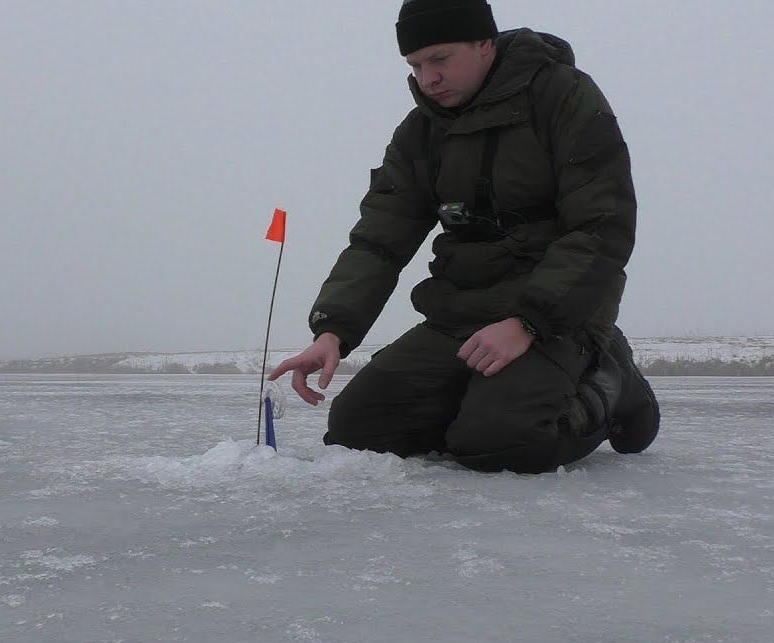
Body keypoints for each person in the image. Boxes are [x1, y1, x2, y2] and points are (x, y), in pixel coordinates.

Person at [269, 0, 659, 473]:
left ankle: (611, 380)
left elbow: (602, 224)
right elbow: (379, 240)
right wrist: (333, 331)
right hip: (459, 315)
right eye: (414, 64)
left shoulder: (562, 97)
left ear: (484, 44)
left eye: (439, 58)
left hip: (557, 317)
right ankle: (481, 401)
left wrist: (529, 322)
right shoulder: (420, 133)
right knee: (358, 433)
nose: (426, 77)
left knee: (502, 444)